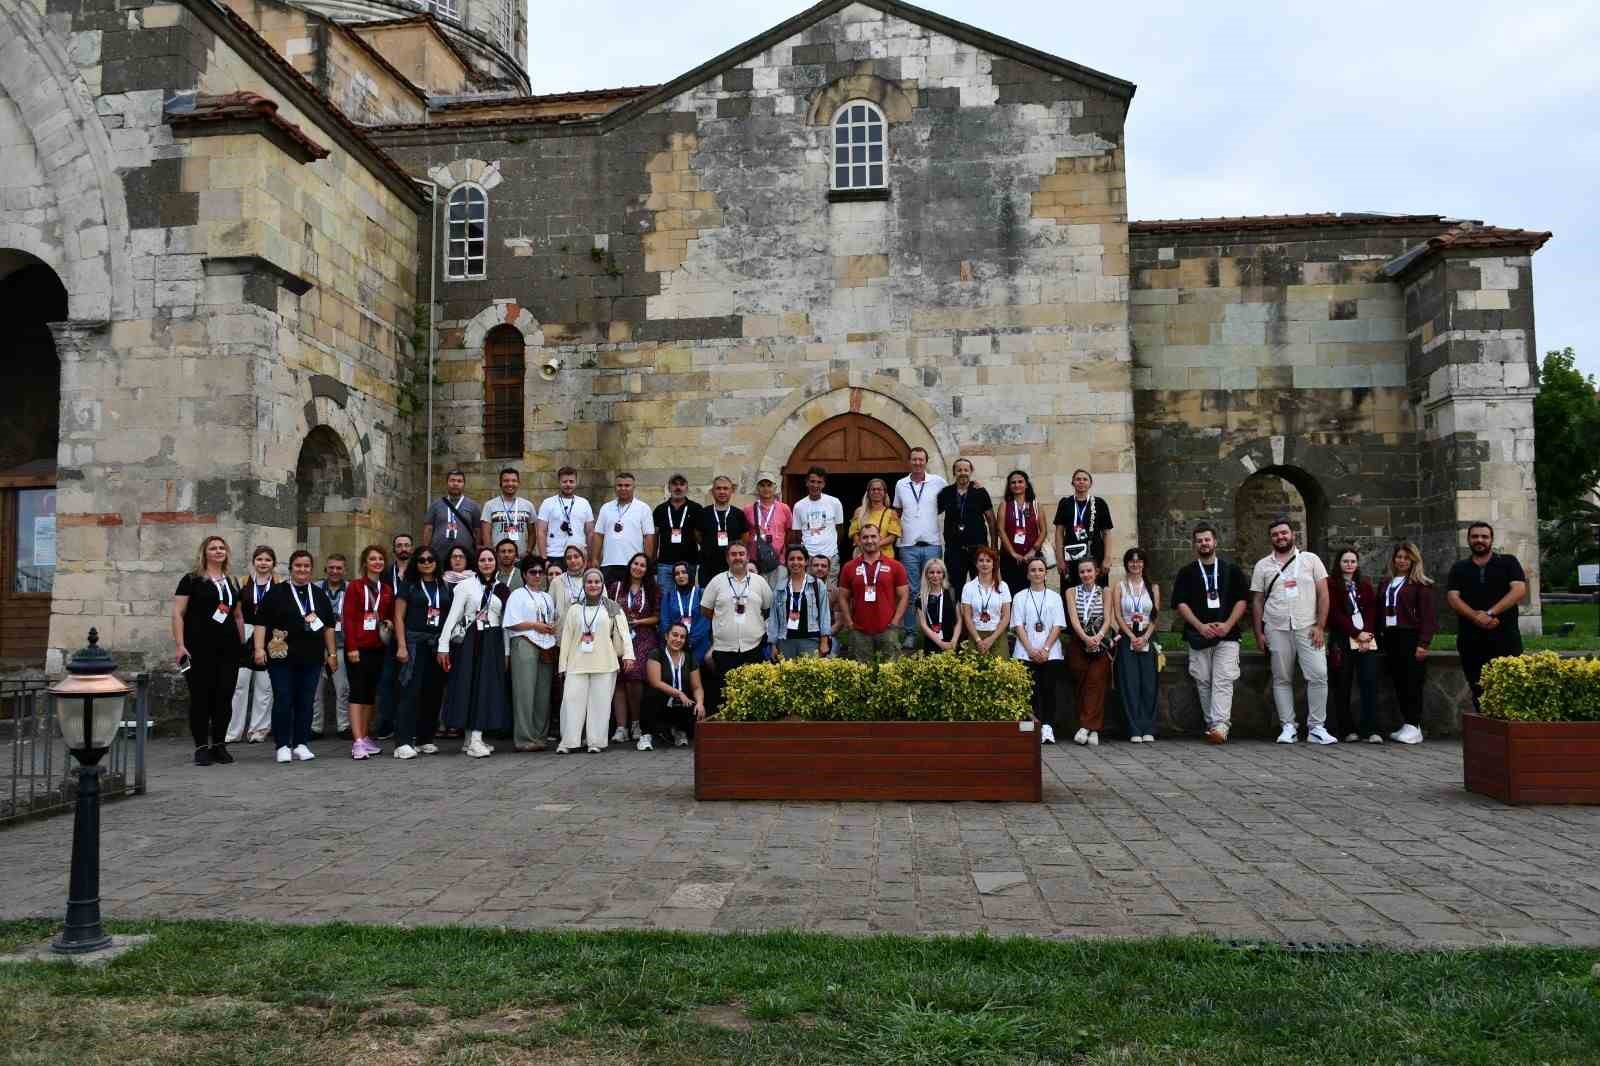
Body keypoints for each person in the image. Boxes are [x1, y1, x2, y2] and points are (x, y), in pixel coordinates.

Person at [1250, 517, 1334, 746]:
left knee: (1318, 674)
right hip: (1276, 626)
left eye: (1284, 533)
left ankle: (1317, 727)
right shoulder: (1263, 565)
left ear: (1292, 534)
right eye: (1276, 534)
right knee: (1281, 677)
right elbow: (1256, 601)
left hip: (1307, 626)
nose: (1281, 537)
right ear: (1271, 538)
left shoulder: (1310, 560)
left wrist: (1320, 626)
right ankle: (1289, 726)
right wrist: (1259, 633)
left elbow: (1324, 594)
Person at [250, 549, 338, 765]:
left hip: (311, 657)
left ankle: (301, 743)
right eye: (298, 565)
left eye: (307, 566)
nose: (302, 569)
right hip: (281, 657)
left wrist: (332, 653)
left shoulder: (318, 595)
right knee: (283, 698)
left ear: (312, 569)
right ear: (291, 568)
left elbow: (327, 627)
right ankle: (282, 745)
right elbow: (261, 622)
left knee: (306, 701)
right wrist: (259, 649)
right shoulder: (276, 593)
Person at [1171, 522, 1249, 744]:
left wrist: (1227, 624)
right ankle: (1212, 724)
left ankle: (1220, 725)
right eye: (1199, 540)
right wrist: (1199, 626)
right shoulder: (1186, 572)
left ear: (1215, 541)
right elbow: (1180, 603)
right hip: (1198, 635)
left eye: (1207, 539)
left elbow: (1242, 600)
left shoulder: (1231, 570)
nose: (1204, 543)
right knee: (1203, 680)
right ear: (1194, 544)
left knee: (1223, 679)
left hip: (1228, 634)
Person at [172, 535, 244, 766]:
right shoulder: (191, 580)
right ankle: (202, 746)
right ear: (204, 553)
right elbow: (177, 613)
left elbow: (238, 615)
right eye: (213, 548)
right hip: (198, 649)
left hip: (228, 650)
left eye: (222, 547)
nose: (218, 551)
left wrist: (242, 644)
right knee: (201, 698)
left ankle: (219, 745)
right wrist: (180, 644)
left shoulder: (232, 581)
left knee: (224, 697)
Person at [1446, 521, 1527, 715]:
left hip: (1505, 638)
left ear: (1491, 539)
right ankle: (1485, 731)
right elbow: (1453, 598)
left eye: (1484, 536)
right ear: (1469, 540)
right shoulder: (1459, 568)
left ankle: (1506, 729)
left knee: (1508, 686)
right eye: (1475, 537)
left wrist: (1490, 613)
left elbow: (1519, 590)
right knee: (1478, 687)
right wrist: (1476, 617)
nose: (1479, 540)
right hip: (1471, 640)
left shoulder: (1508, 562)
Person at [438, 546, 511, 758]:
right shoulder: (465, 586)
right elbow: (452, 616)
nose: (487, 563)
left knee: (486, 688)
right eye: (482, 560)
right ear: (476, 563)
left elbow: (506, 623)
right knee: (470, 687)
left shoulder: (502, 589)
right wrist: (443, 645)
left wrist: (506, 651)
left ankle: (474, 738)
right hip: (471, 642)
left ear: (495, 562)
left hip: (493, 641)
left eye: (490, 559)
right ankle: (474, 739)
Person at [557, 567, 635, 753]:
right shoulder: (574, 609)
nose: (593, 585)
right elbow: (566, 638)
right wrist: (562, 665)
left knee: (600, 704)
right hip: (576, 663)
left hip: (605, 662)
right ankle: (568, 742)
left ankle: (596, 742)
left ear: (602, 585)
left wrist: (628, 655)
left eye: (597, 582)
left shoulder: (612, 607)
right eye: (589, 582)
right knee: (571, 701)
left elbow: (624, 634)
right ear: (584, 585)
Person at [700, 542, 773, 713]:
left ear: (748, 557)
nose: (738, 557)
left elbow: (768, 608)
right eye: (733, 554)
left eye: (741, 554)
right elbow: (705, 609)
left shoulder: (759, 581)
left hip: (754, 646)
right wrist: (724, 621)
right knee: (726, 694)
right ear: (727, 558)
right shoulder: (716, 582)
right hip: (725, 648)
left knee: (754, 692)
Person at [391, 547, 449, 759]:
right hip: (414, 643)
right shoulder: (409, 586)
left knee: (433, 692)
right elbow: (398, 617)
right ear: (416, 563)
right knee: (410, 691)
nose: (426, 562)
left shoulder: (444, 586)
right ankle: (403, 741)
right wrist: (402, 645)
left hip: (436, 645)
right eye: (422, 559)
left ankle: (425, 738)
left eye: (430, 559)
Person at [1380, 541, 1438, 745]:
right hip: (1391, 636)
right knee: (1398, 681)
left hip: (1410, 637)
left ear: (1414, 560)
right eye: (1399, 557)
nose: (1402, 561)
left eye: (1406, 557)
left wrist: (1424, 643)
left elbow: (1429, 617)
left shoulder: (1421, 585)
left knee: (1412, 682)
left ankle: (1414, 725)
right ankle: (1408, 724)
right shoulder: (1387, 582)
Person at [342, 544, 394, 760]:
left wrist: (389, 622)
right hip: (358, 648)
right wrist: (352, 646)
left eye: (380, 559)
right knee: (357, 692)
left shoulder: (386, 589)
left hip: (377, 647)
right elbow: (349, 618)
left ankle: (364, 737)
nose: (377, 562)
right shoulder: (355, 587)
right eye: (373, 559)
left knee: (370, 694)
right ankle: (357, 742)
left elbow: (388, 613)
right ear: (365, 563)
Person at [503, 555, 559, 752]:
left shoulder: (547, 596)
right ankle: (524, 738)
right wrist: (535, 625)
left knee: (543, 694)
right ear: (524, 575)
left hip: (546, 645)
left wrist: (549, 628)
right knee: (524, 692)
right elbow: (511, 622)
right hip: (524, 642)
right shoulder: (517, 594)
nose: (537, 576)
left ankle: (539, 736)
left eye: (540, 572)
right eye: (532, 572)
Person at [893, 446, 947, 647]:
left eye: (921, 459)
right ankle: (910, 633)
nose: (917, 463)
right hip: (908, 546)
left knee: (935, 588)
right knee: (911, 591)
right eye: (914, 459)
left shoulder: (938, 482)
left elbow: (950, 498)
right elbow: (897, 511)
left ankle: (936, 630)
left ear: (926, 461)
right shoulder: (901, 484)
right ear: (909, 461)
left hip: (932, 544)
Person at [1326, 547, 1380, 745]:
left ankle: (1371, 728)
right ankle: (1347, 729)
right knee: (1343, 685)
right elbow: (1334, 614)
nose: (1349, 565)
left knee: (1369, 683)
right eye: (1345, 561)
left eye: (1353, 561)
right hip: (1342, 640)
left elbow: (1372, 610)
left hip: (1366, 640)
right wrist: (1356, 634)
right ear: (1338, 564)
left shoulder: (1364, 586)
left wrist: (1367, 634)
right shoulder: (1332, 585)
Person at [1011, 557, 1066, 743]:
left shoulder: (1055, 597)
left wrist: (1045, 649)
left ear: (1045, 573)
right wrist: (1031, 650)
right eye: (1033, 570)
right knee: (1031, 691)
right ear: (1027, 574)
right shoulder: (1019, 597)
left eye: (1040, 570)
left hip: (1051, 653)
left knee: (1049, 690)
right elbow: (1018, 626)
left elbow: (1058, 625)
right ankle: (1032, 727)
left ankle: (1048, 728)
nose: (1036, 573)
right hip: (1025, 652)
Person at [227, 545, 277, 744]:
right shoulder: (243, 583)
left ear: (273, 563)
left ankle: (258, 730)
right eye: (259, 559)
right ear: (253, 562)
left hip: (270, 635)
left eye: (267, 560)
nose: (263, 563)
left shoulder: (280, 584)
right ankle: (233, 731)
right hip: (246, 634)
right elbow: (236, 612)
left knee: (265, 686)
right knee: (239, 685)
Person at [837, 524, 909, 662]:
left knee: (890, 674)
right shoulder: (849, 567)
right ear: (860, 540)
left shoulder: (895, 566)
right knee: (861, 675)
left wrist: (895, 622)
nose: (869, 541)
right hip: (859, 630)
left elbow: (904, 595)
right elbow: (842, 597)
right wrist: (849, 623)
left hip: (888, 629)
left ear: (880, 538)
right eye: (865, 537)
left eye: (873, 536)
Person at [609, 552, 661, 746]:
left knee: (635, 677)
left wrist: (638, 621)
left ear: (647, 570)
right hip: (619, 637)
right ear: (630, 565)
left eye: (643, 565)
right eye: (635, 564)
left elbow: (657, 617)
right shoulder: (616, 587)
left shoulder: (653, 589)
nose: (638, 567)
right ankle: (621, 727)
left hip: (643, 636)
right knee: (619, 680)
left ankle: (636, 723)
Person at [1111, 547, 1160, 743]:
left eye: (1139, 561)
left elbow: (1155, 616)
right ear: (1126, 564)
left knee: (1149, 684)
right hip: (1127, 636)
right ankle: (1133, 728)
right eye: (1131, 561)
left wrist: (1146, 637)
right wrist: (1131, 636)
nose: (1135, 564)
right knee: (1129, 683)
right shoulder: (1120, 587)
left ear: (1144, 564)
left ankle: (1148, 726)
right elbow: (1118, 615)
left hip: (1147, 636)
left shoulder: (1153, 587)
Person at [1064, 557, 1112, 746]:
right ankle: (1093, 729)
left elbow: (1108, 618)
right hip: (1079, 640)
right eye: (1082, 572)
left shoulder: (1105, 591)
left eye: (1089, 571)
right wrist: (1085, 638)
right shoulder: (1071, 592)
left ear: (1096, 572)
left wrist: (1097, 637)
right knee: (1081, 680)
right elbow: (1074, 618)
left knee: (1096, 680)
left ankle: (1085, 727)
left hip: (1099, 641)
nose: (1086, 575)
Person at [372, 533, 413, 741]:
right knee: (387, 681)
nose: (403, 548)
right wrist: (385, 619)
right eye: (399, 545)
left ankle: (408, 725)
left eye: (406, 545)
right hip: (389, 633)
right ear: (394, 549)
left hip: (412, 632)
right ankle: (386, 724)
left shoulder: (418, 571)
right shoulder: (386, 574)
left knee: (410, 681)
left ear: (412, 548)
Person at [644, 621, 705, 749]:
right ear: (667, 636)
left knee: (695, 707)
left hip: (681, 704)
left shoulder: (689, 658)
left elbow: (697, 687)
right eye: (675, 635)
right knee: (651, 695)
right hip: (661, 702)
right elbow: (655, 682)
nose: (678, 639)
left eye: (682, 637)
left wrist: (700, 703)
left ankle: (679, 731)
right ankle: (646, 735)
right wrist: (679, 693)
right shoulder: (656, 654)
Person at [938, 457, 995, 589]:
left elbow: (991, 520)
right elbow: (932, 511)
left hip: (978, 549)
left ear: (971, 472)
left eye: (966, 470)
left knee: (981, 585)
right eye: (959, 470)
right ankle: (957, 610)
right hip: (954, 550)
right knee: (954, 587)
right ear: (954, 472)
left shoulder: (980, 492)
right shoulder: (946, 493)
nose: (962, 472)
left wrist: (993, 547)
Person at [1052, 469, 1114, 589]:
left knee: (1097, 590)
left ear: (1090, 483)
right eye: (1078, 479)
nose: (1081, 482)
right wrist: (1060, 559)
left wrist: (1107, 559)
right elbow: (1059, 532)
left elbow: (1106, 533)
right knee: (1071, 590)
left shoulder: (1099, 503)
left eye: (1085, 479)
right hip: (1071, 556)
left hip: (1095, 554)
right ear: (1073, 483)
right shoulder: (1065, 503)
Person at [592, 472, 655, 588]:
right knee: (609, 600)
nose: (623, 488)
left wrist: (647, 562)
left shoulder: (643, 508)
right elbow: (598, 534)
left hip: (633, 564)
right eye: (619, 485)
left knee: (630, 599)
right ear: (615, 488)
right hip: (609, 563)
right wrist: (595, 559)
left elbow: (648, 537)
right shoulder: (606, 508)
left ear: (633, 487)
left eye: (627, 485)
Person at [769, 545, 832, 659]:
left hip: (811, 641)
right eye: (792, 559)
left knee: (809, 676)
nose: (795, 562)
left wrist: (824, 641)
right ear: (786, 562)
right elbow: (774, 618)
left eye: (800, 558)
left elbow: (824, 614)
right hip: (785, 642)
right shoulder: (779, 587)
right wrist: (773, 644)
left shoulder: (817, 585)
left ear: (806, 561)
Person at [312, 554, 350, 740]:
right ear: (325, 569)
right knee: (315, 690)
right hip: (317, 645)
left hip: (341, 644)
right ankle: (315, 727)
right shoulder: (315, 588)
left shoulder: (351, 589)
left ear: (345, 570)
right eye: (331, 568)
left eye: (339, 568)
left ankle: (344, 726)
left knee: (343, 688)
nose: (335, 571)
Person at [791, 466, 845, 583]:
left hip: (830, 556)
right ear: (806, 482)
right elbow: (796, 533)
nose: (815, 485)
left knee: (829, 594)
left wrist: (831, 547)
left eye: (819, 482)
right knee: (809, 592)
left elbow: (840, 529)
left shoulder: (834, 502)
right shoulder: (799, 506)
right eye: (812, 481)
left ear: (824, 484)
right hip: (809, 557)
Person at [697, 475, 751, 588]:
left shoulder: (739, 514)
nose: (722, 492)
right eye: (718, 488)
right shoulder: (703, 513)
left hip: (732, 568)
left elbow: (744, 539)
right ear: (712, 491)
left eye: (726, 488)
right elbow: (698, 536)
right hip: (708, 568)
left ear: (731, 491)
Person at [653, 473, 702, 591]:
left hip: (689, 563)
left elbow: (700, 537)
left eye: (682, 484)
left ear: (687, 488)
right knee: (665, 598)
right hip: (665, 563)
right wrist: (653, 560)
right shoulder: (660, 509)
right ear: (669, 488)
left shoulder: (696, 508)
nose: (678, 488)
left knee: (686, 598)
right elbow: (655, 537)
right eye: (674, 484)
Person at [959, 546, 1011, 657]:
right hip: (976, 634)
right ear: (976, 564)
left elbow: (1006, 616)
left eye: (988, 561)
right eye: (981, 560)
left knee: (1000, 671)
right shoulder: (968, 587)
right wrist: (978, 640)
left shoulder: (1003, 586)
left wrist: (992, 639)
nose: (984, 564)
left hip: (997, 635)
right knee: (975, 672)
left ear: (993, 564)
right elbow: (967, 616)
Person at [998, 470, 1044, 596]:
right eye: (1013, 483)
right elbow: (1001, 530)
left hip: (1033, 557)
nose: (1017, 485)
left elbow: (1043, 531)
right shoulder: (1004, 505)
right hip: (1010, 558)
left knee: (1035, 591)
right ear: (1009, 486)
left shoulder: (1035, 505)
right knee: (1011, 592)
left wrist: (1033, 551)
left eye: (1020, 482)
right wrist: (1013, 553)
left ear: (1026, 484)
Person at [537, 466, 594, 566]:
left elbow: (590, 532)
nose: (568, 484)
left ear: (576, 482)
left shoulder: (584, 503)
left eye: (571, 481)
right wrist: (543, 559)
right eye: (565, 481)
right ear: (559, 482)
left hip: (578, 554)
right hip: (554, 554)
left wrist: (589, 557)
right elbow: (541, 532)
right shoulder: (548, 503)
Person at [660, 561, 712, 666]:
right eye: (677, 574)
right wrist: (676, 640)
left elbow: (705, 622)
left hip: (699, 643)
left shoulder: (701, 593)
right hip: (675, 643)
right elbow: (665, 622)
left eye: (684, 572)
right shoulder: (669, 596)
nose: (680, 576)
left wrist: (689, 641)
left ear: (690, 574)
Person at [422, 468, 482, 559]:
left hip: (465, 556)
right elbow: (428, 529)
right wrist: (425, 550)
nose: (455, 484)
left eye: (459, 481)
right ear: (447, 483)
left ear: (464, 484)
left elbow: (478, 531)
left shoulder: (473, 506)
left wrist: (477, 550)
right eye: (452, 480)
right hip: (439, 554)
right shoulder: (435, 505)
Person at [744, 474, 791, 587]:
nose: (766, 489)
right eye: (762, 485)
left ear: (775, 488)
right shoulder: (748, 510)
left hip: (779, 561)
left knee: (778, 596)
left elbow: (789, 532)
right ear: (757, 488)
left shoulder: (784, 508)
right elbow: (745, 535)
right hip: (756, 562)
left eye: (769, 485)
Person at [480, 466, 536, 558]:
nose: (510, 484)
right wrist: (491, 554)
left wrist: (528, 552)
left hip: (521, 557)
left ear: (518, 483)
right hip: (498, 557)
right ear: (500, 483)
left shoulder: (528, 505)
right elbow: (486, 533)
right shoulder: (489, 505)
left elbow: (532, 532)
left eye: (514, 481)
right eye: (506, 481)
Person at [916, 557, 962, 654]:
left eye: (938, 572)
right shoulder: (921, 597)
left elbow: (959, 621)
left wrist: (954, 641)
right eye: (931, 572)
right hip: (932, 645)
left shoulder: (952, 593)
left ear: (943, 575)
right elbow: (923, 625)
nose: (935, 576)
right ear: (926, 575)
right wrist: (940, 643)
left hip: (952, 645)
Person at [847, 478, 901, 559]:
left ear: (885, 492)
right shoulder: (859, 511)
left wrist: (873, 546)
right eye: (873, 489)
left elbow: (892, 537)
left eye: (879, 489)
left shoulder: (891, 513)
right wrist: (863, 546)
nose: (876, 492)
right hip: (862, 555)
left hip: (885, 556)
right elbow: (854, 533)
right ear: (868, 493)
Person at [811, 552, 845, 657]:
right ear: (810, 568)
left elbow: (839, 623)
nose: (819, 568)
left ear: (829, 570)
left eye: (824, 566)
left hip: (829, 634)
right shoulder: (799, 588)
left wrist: (823, 636)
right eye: (816, 565)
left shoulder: (835, 592)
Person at [552, 544, 589, 619]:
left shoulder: (594, 580)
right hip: (563, 628)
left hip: (587, 628)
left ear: (584, 558)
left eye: (576, 556)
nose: (572, 560)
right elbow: (550, 609)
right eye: (569, 558)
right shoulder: (557, 581)